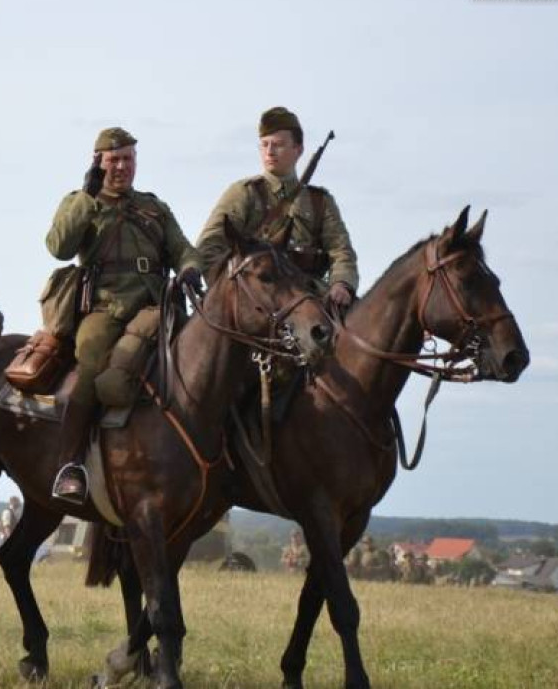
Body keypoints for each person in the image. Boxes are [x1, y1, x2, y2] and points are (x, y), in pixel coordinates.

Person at [45, 126, 202, 504]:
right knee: (90, 367)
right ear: (98, 162)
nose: (121, 167)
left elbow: (183, 248)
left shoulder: (153, 207)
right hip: (105, 308)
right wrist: (87, 194)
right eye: (113, 160)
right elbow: (59, 246)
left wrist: (191, 267)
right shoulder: (81, 201)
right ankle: (71, 466)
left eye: (128, 159)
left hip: (154, 305)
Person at [196, 107, 358, 309]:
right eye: (264, 145)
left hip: (309, 298)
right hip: (255, 300)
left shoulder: (320, 201)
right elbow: (208, 247)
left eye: (278, 145)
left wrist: (342, 284)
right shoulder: (244, 193)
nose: (270, 152)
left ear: (298, 150)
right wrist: (228, 293)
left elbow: (341, 250)